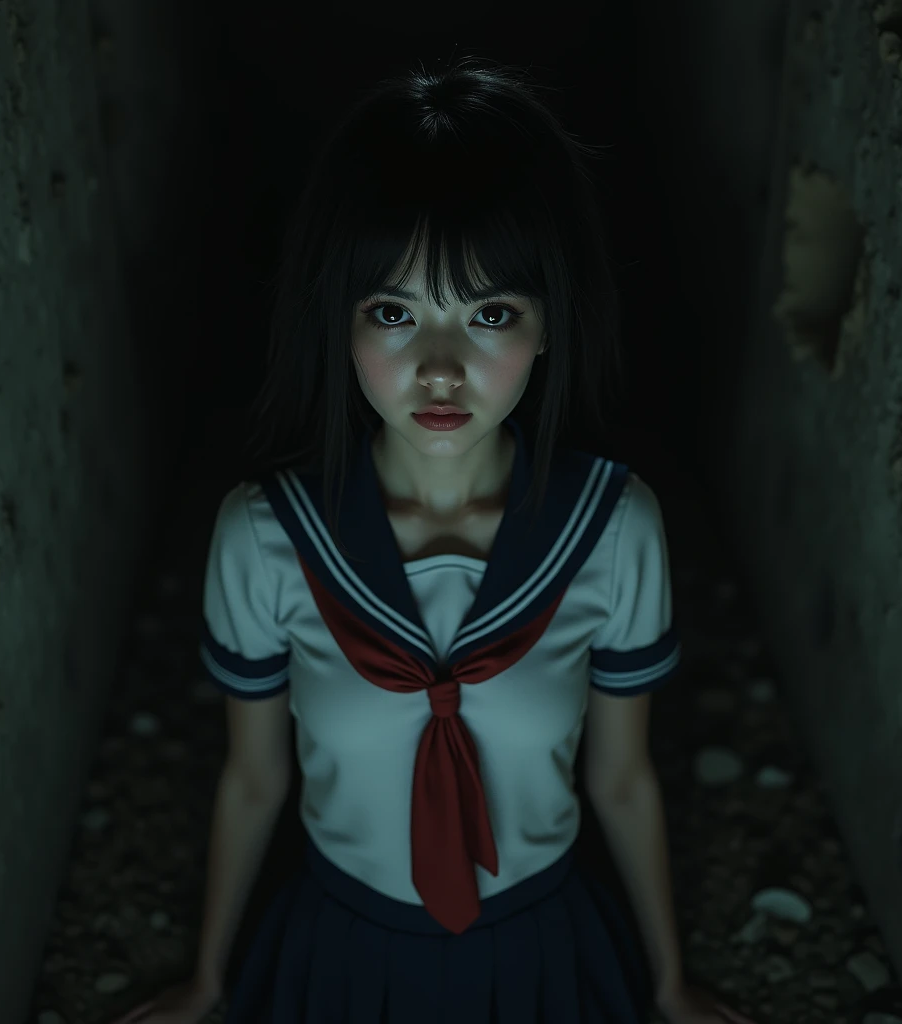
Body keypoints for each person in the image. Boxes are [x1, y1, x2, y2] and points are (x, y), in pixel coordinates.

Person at [110, 57, 759, 1024]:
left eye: (491, 313)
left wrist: (666, 984)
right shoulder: (267, 536)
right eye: (394, 312)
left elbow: (622, 777)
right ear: (338, 321)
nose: (442, 369)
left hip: (539, 941)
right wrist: (211, 977)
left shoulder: (614, 531)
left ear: (549, 326)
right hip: (342, 945)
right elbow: (254, 776)